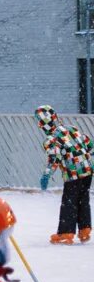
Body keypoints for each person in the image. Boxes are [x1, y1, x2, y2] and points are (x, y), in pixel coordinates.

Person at [35, 105, 92, 244]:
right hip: (87, 170)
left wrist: (46, 175)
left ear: (43, 124)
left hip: (73, 173)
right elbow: (89, 144)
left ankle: (66, 233)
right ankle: (85, 230)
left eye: (40, 122)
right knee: (83, 200)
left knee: (69, 202)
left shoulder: (51, 139)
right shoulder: (71, 128)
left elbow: (54, 159)